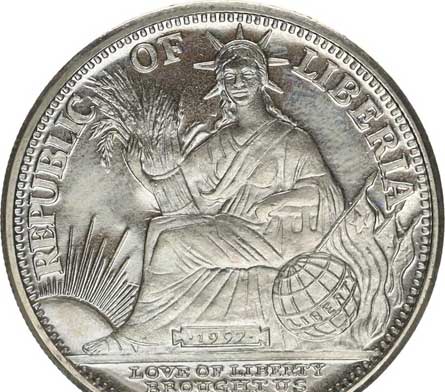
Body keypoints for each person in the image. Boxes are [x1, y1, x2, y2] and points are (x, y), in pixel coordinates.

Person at [83, 26, 344, 354]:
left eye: (247, 74)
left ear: (262, 79)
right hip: (237, 232)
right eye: (230, 76)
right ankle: (155, 331)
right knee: (162, 227)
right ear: (220, 83)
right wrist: (142, 169)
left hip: (275, 239)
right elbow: (179, 195)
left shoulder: (292, 140)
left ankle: (137, 338)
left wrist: (278, 201)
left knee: (172, 244)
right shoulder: (220, 142)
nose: (238, 83)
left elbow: (324, 192)